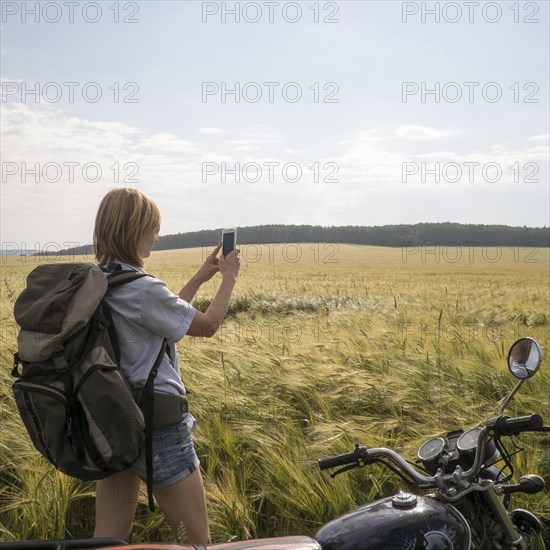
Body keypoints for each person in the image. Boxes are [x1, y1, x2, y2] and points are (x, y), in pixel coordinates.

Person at [92, 188, 240, 544]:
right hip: (157, 428)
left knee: (110, 541)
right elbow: (205, 326)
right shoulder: (143, 288)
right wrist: (229, 278)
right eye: (152, 228)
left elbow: (161, 323)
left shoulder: (98, 281)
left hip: (113, 422)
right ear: (134, 230)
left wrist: (201, 278)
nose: (156, 236)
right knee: (196, 542)